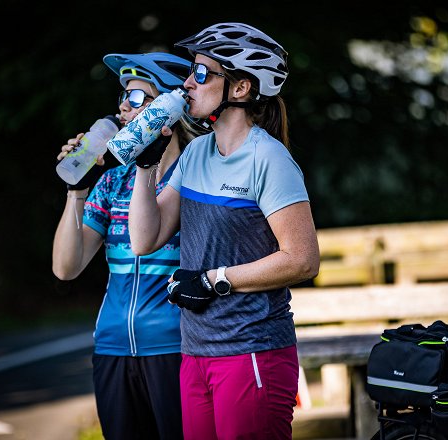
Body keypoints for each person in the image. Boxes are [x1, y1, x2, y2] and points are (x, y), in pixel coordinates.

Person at [128, 23, 320, 440]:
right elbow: (145, 239)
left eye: (201, 73)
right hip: (195, 352)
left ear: (240, 89)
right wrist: (146, 166)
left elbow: (302, 259)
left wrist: (217, 280)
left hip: (252, 351)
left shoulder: (268, 159)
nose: (187, 83)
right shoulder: (197, 152)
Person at [52, 52, 206, 439]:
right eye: (123, 96)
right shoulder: (112, 182)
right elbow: (66, 268)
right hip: (113, 347)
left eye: (137, 98)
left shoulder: (200, 176)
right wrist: (77, 191)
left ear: (170, 108)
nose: (123, 106)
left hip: (177, 347)